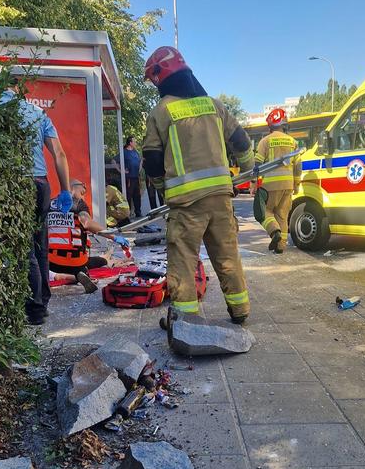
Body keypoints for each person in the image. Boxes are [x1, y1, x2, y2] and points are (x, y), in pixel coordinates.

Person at [142, 46, 255, 323]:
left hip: (186, 204)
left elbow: (153, 160)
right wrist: (249, 170)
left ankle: (184, 320)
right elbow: (241, 143)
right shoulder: (215, 105)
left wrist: (161, 187)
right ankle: (240, 310)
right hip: (220, 198)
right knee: (227, 255)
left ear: (160, 77)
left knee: (182, 260)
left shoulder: (161, 111)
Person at [0, 79, 71, 325]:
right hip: (41, 183)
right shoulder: (38, 113)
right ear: (21, 90)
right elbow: (59, 154)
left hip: (17, 183)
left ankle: (34, 308)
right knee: (40, 243)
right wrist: (66, 190)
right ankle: (43, 300)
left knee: (24, 245)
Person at [47, 179, 130, 292]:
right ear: (75, 187)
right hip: (75, 263)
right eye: (83, 190)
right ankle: (94, 266)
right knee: (87, 262)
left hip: (51, 262)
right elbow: (87, 223)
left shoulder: (49, 203)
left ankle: (101, 260)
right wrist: (113, 237)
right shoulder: (78, 204)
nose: (84, 195)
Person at [251, 108, 302, 254]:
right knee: (282, 215)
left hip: (269, 185)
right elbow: (298, 166)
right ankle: (281, 246)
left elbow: (257, 165)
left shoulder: (264, 141)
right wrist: (296, 184)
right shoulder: (293, 142)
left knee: (263, 211)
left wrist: (253, 185)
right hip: (287, 186)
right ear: (284, 124)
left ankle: (274, 232)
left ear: (270, 126)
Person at [124, 136, 142, 218]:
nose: (135, 143)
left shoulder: (135, 152)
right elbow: (114, 161)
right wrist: (121, 170)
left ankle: (138, 212)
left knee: (137, 195)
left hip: (136, 177)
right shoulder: (124, 152)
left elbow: (138, 162)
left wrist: (141, 164)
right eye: (134, 141)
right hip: (129, 178)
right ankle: (127, 214)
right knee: (128, 196)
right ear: (130, 143)